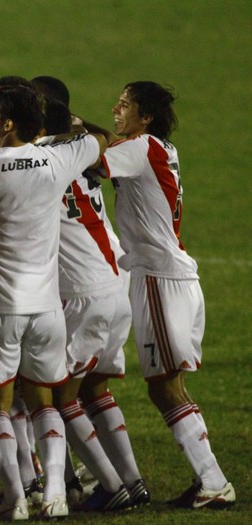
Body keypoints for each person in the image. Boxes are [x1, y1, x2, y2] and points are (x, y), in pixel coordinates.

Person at [0, 84, 107, 520]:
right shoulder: (58, 159)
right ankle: (55, 494)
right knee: (44, 403)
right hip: (47, 309)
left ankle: (15, 499)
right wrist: (60, 135)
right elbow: (100, 141)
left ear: (9, 121)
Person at [97, 81, 235, 509]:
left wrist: (65, 133)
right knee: (168, 385)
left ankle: (213, 482)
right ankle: (210, 480)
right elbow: (112, 144)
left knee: (164, 387)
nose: (116, 108)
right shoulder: (158, 148)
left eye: (125, 105)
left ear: (146, 116)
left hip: (158, 279)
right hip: (176, 276)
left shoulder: (138, 150)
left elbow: (95, 164)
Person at [35, 84, 146, 512]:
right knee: (96, 390)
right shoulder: (82, 151)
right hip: (115, 286)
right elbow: (104, 140)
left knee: (58, 395)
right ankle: (132, 481)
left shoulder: (41, 157)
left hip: (82, 293)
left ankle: (110, 484)